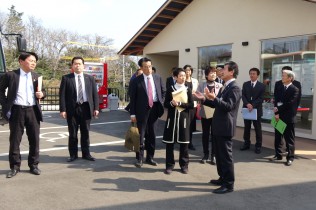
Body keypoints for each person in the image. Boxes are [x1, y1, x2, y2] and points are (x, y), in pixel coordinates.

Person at [194, 61, 241, 194]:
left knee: (226, 156)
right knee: (220, 155)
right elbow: (217, 104)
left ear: (231, 72)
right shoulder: (225, 86)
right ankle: (222, 178)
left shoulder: (235, 87)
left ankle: (229, 184)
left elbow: (228, 106)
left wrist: (215, 98)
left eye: (224, 69)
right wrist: (204, 99)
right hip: (218, 125)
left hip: (225, 126)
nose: (221, 71)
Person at [0, 52, 46, 178]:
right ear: (21, 61)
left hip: (32, 111)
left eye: (35, 61)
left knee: (34, 140)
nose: (33, 63)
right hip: (17, 110)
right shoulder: (11, 75)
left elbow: (43, 91)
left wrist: (41, 94)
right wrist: (5, 104)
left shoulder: (37, 76)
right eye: (31, 60)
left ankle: (34, 165)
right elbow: (1, 90)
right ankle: (15, 167)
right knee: (15, 140)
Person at [59, 56, 99, 162]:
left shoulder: (89, 78)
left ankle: (86, 154)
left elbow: (95, 94)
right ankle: (73, 155)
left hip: (86, 108)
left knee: (85, 132)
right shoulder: (66, 78)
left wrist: (96, 108)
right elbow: (62, 95)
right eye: (75, 64)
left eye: (79, 63)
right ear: (72, 66)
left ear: (83, 66)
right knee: (72, 133)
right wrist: (63, 109)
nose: (77, 65)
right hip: (72, 109)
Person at [129, 57, 166, 168]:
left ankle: (150, 157)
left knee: (152, 135)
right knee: (140, 135)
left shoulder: (158, 78)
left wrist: (161, 102)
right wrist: (133, 114)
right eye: (145, 67)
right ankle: (139, 158)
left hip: (154, 109)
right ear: (141, 67)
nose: (148, 69)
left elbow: (163, 92)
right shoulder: (136, 80)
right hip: (141, 111)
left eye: (149, 66)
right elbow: (133, 98)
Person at [162, 68, 193, 175]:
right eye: (180, 75)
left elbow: (191, 105)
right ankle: (169, 165)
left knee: (184, 145)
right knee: (170, 144)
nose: (183, 77)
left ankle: (184, 165)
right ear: (175, 77)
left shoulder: (188, 89)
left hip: (183, 119)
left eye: (184, 75)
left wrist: (180, 104)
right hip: (172, 119)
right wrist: (171, 103)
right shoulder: (170, 88)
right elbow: (165, 103)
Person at [194, 66, 223, 165]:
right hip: (205, 110)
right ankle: (205, 154)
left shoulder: (220, 85)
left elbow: (221, 99)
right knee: (205, 134)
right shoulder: (201, 84)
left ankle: (213, 155)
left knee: (215, 134)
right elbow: (197, 96)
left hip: (216, 112)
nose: (213, 74)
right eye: (211, 73)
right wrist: (204, 96)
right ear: (206, 75)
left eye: (215, 72)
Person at [270, 70, 299, 166]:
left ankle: (290, 157)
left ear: (290, 78)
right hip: (278, 116)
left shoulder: (294, 89)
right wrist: (276, 112)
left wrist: (277, 108)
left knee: (289, 139)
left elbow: (290, 104)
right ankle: (278, 155)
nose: (282, 77)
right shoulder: (279, 87)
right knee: (278, 137)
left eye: (284, 76)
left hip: (289, 117)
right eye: (282, 75)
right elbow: (276, 99)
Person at [240, 68, 265, 154]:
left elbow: (261, 98)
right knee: (246, 128)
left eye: (254, 73)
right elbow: (243, 95)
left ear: (257, 75)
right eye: (250, 73)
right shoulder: (245, 84)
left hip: (256, 110)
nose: (252, 75)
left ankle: (258, 146)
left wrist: (253, 105)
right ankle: (246, 143)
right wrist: (247, 104)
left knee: (258, 129)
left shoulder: (261, 86)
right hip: (247, 109)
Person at [184, 64, 199, 150]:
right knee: (184, 124)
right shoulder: (181, 80)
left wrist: (195, 93)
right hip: (184, 105)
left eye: (189, 70)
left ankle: (190, 142)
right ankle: (184, 141)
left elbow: (198, 92)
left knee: (191, 125)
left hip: (193, 105)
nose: (187, 72)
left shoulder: (195, 81)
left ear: (191, 72)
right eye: (186, 70)